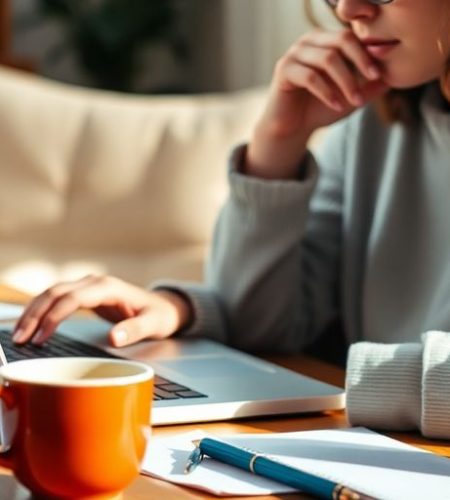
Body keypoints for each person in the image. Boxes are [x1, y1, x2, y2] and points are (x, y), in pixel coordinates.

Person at [12, 0, 450, 438]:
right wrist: (279, 142)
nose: (350, 8)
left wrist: (352, 379)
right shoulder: (376, 126)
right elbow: (267, 324)